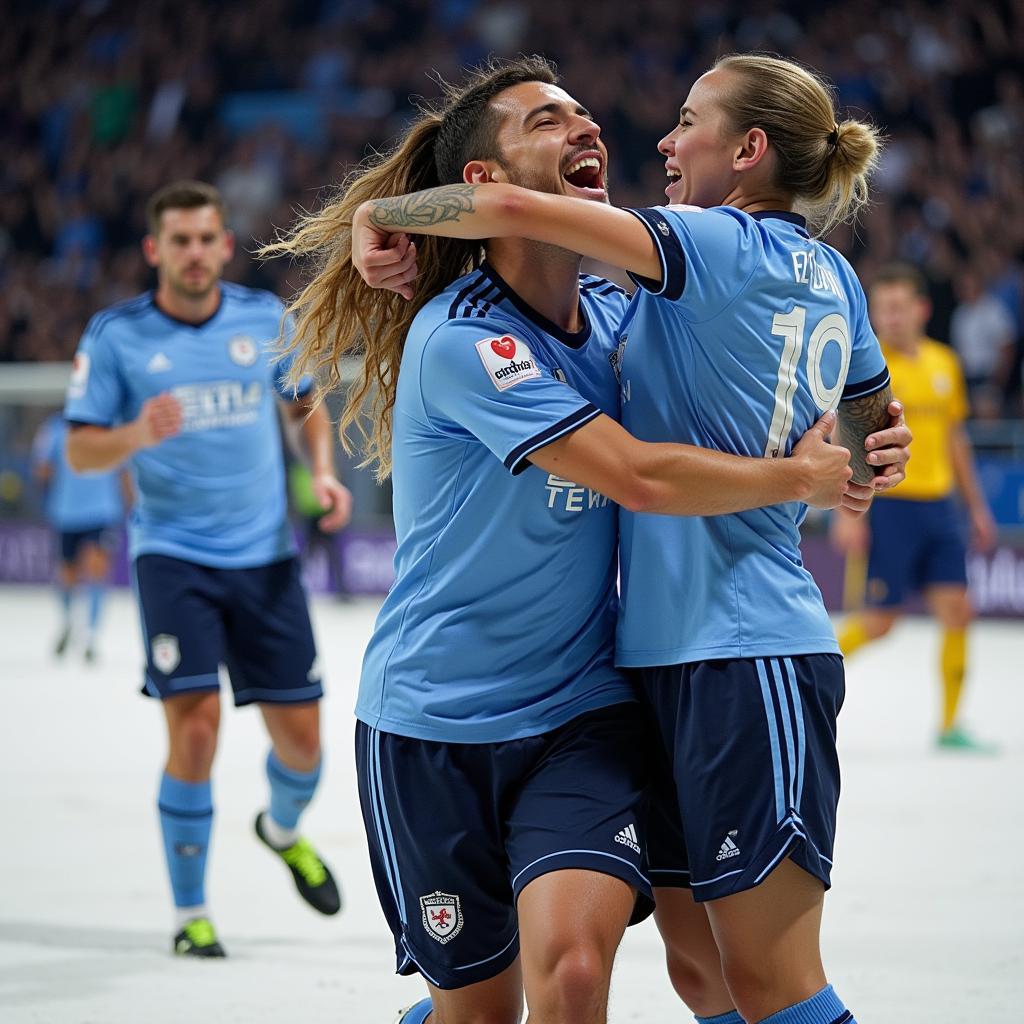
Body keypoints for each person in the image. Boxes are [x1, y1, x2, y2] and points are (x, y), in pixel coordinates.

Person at [269, 56, 910, 1024]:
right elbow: (659, 467)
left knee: (613, 975)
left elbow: (758, 382)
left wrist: (387, 217)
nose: (608, 132)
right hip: (464, 709)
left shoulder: (653, 288)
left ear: (746, 149)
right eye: (546, 120)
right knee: (596, 991)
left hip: (633, 690)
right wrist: (847, 460)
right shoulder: (497, 332)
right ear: (483, 180)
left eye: (587, 112)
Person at [63, 180, 352, 959]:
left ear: (226, 246)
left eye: (207, 239)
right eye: (179, 241)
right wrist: (131, 433)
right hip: (172, 559)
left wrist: (321, 474)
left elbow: (304, 405)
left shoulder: (263, 321)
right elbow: (80, 446)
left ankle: (280, 828)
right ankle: (191, 916)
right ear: (155, 250)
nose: (194, 253)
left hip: (265, 560)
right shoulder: (116, 336)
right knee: (194, 730)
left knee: (305, 749)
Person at [832, 263, 998, 752]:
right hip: (888, 506)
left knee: (958, 612)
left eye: (900, 307)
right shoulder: (865, 365)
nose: (891, 317)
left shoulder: (945, 364)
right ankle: (809, 679)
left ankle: (949, 726)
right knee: (881, 623)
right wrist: (847, 512)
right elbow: (842, 436)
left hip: (940, 508)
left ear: (921, 309)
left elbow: (955, 440)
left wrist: (978, 509)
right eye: (883, 309)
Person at [31, 411, 129, 661]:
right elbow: (42, 468)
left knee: (95, 571)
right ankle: (70, 623)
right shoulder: (54, 429)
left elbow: (124, 471)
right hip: (68, 511)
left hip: (99, 511)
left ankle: (90, 635)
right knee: (69, 574)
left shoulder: (111, 427)